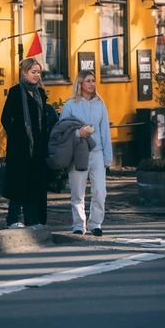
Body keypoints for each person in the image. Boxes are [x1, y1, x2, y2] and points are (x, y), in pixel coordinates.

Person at [59, 70, 112, 236]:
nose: (92, 84)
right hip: (78, 153)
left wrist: (107, 158)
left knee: (100, 192)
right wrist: (78, 134)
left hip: (97, 153)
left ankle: (96, 223)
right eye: (88, 81)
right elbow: (62, 131)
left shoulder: (100, 104)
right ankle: (78, 225)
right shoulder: (70, 105)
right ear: (80, 83)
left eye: (93, 80)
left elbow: (105, 131)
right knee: (77, 192)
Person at [1, 58, 49, 228]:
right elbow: (5, 118)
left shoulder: (40, 93)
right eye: (33, 72)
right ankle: (13, 219)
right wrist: (17, 135)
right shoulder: (16, 92)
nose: (36, 75)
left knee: (33, 183)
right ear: (24, 73)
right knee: (18, 184)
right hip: (19, 148)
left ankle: (32, 219)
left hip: (37, 147)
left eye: (38, 72)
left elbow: (42, 120)